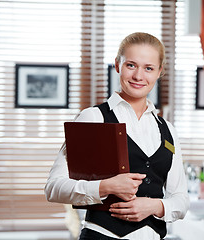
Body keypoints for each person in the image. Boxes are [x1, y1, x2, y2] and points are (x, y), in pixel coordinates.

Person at [45, 32, 190, 240]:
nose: (139, 76)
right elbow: (54, 188)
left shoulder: (167, 130)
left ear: (159, 72)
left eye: (148, 68)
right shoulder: (93, 118)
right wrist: (106, 186)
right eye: (131, 65)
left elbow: (181, 199)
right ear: (117, 65)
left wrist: (155, 206)